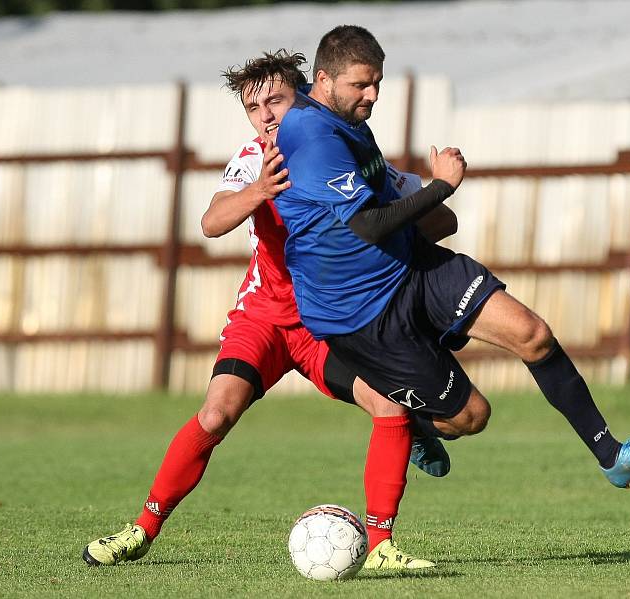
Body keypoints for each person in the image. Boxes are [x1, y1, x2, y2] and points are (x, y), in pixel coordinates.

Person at [272, 25, 630, 564]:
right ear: (323, 79)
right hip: (358, 312)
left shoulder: (347, 119)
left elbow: (376, 198)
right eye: (361, 85)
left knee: (533, 335)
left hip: (408, 266)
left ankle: (612, 453)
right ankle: (415, 419)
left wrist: (417, 197)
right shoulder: (309, 134)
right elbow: (368, 227)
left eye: (377, 83)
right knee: (470, 417)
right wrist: (440, 187)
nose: (372, 96)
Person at [82, 50, 456, 570]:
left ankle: (380, 548)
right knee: (215, 413)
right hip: (263, 317)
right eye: (253, 106)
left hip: (326, 319)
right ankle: (140, 531)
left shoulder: (340, 150)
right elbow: (212, 223)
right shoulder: (254, 157)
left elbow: (442, 222)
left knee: (388, 405)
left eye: (275, 100)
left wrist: (412, 212)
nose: (265, 115)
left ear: (303, 96)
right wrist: (258, 189)